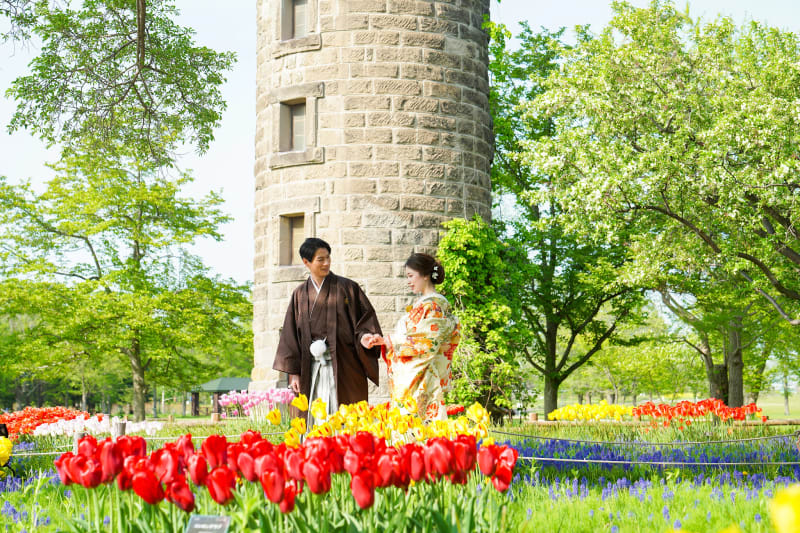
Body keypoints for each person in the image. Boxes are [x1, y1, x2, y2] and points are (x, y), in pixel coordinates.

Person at [273, 238, 383, 420]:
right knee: (315, 416)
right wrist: (294, 373)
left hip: (344, 365)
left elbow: (365, 321)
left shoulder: (348, 288)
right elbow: (290, 337)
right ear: (306, 262)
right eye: (320, 260)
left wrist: (365, 337)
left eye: (328, 258)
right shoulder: (300, 294)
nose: (326, 263)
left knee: (345, 415)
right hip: (311, 366)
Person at [370, 253, 460, 421]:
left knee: (418, 428)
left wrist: (390, 341)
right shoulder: (425, 304)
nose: (409, 281)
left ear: (425, 275)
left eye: (411, 276)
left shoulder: (433, 305)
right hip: (416, 373)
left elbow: (427, 343)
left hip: (422, 376)